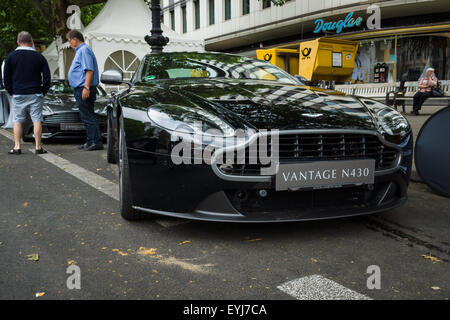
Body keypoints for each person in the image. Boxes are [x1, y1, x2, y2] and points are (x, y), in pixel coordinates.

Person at [3, 31, 51, 155]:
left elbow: (6, 77)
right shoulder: (39, 57)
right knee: (37, 119)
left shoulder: (11, 57)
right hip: (35, 92)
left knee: (18, 120)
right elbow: (47, 76)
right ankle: (38, 147)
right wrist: (43, 90)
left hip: (18, 93)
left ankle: (17, 147)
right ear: (31, 42)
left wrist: (10, 91)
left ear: (18, 42)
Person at [66, 30, 103, 151]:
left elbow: (89, 70)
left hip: (84, 88)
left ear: (74, 39)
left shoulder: (84, 50)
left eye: (69, 40)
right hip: (81, 87)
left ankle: (95, 142)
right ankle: (89, 141)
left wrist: (86, 87)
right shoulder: (81, 51)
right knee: (86, 115)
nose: (69, 43)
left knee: (88, 115)